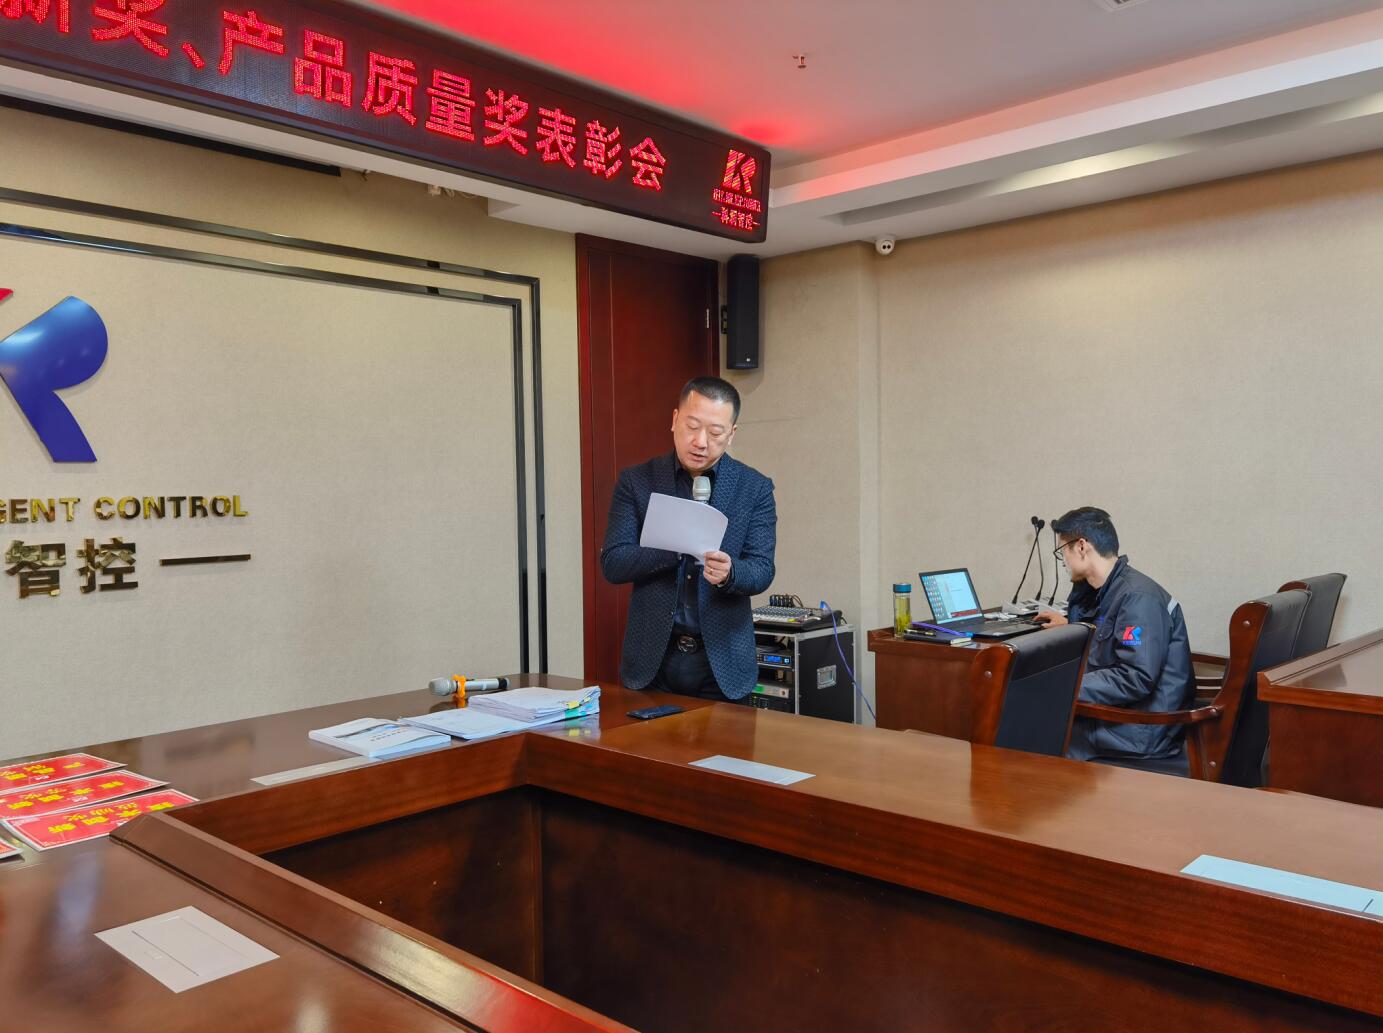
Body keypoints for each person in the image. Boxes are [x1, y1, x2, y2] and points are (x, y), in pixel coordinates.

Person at [600, 377, 777, 701]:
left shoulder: (754, 488)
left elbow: (762, 570)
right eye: (692, 427)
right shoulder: (637, 481)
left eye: (715, 433)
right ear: (674, 420)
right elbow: (613, 562)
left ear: (731, 434)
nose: (700, 442)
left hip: (723, 663)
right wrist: (674, 549)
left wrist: (730, 573)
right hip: (653, 661)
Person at [1035, 507, 1194, 762]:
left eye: (1062, 551)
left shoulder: (1138, 598)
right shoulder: (1108, 590)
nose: (1062, 561)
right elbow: (1108, 635)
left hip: (1139, 730)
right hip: (1123, 717)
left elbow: (1135, 677)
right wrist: (1071, 623)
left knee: (1030, 729)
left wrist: (1064, 685)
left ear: (1082, 547)